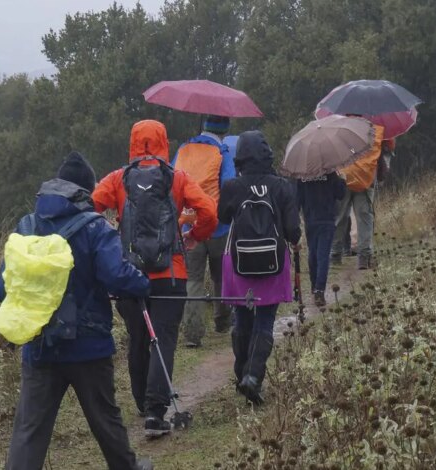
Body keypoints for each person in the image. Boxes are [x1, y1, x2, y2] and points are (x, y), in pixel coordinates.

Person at [0, 152, 154, 470]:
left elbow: (1, 289)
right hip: (88, 347)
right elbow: (117, 276)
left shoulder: (25, 227)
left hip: (39, 347)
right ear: (87, 191)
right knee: (105, 420)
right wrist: (143, 283)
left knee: (29, 431)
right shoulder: (96, 228)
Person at [92, 120, 217, 437]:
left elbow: (89, 207)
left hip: (129, 274)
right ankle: (155, 411)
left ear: (133, 143)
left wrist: (108, 239)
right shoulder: (176, 178)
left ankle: (141, 402)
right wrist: (193, 235)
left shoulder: (119, 179)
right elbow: (209, 212)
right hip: (170, 273)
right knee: (163, 339)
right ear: (164, 143)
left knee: (138, 339)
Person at [218, 130, 301, 405]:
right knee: (265, 321)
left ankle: (241, 371)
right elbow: (292, 231)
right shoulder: (282, 186)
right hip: (273, 261)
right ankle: (253, 377)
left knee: (241, 318)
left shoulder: (231, 187)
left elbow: (222, 216)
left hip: (238, 261)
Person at [172, 115, 236, 348]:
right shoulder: (223, 152)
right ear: (224, 130)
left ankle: (193, 334)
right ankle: (222, 321)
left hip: (189, 227)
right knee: (221, 276)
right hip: (218, 227)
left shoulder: (183, 148)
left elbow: (172, 179)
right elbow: (229, 186)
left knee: (193, 279)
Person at [330, 122, 385, 270]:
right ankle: (364, 258)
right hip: (365, 179)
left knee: (340, 217)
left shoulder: (340, 128)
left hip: (344, 176)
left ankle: (335, 254)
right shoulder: (377, 129)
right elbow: (388, 146)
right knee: (364, 218)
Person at [298, 171, 346, 306]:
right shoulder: (330, 172)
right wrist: (342, 179)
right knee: (323, 256)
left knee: (313, 254)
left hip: (310, 220)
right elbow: (340, 194)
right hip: (327, 219)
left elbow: (297, 198)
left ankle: (314, 286)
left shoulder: (303, 175)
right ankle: (319, 290)